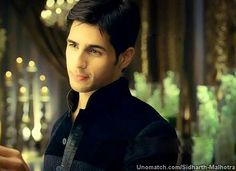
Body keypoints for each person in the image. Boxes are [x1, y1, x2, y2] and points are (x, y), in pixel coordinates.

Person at [0, 0, 179, 170]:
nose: (78, 62)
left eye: (94, 51)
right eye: (73, 45)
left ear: (125, 57)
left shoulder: (151, 133)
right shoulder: (61, 124)